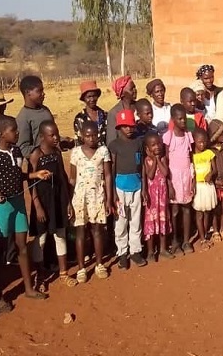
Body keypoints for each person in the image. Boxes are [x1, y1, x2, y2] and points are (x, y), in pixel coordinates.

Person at [0, 116, 50, 304]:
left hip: (19, 204)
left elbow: (17, 174)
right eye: (13, 130)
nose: (17, 132)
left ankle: (28, 288)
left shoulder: (16, 150)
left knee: (22, 246)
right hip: (3, 207)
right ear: (2, 134)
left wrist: (35, 174)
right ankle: (0, 295)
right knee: (1, 250)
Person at [29, 121, 74, 288]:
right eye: (52, 135)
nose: (56, 138)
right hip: (42, 201)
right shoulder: (36, 155)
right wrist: (38, 206)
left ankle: (63, 273)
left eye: (57, 134)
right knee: (40, 238)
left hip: (58, 199)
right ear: (42, 136)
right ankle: (40, 276)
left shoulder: (56, 152)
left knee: (60, 235)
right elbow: (30, 181)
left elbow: (62, 177)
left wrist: (68, 202)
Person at [69, 120, 112, 283]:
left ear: (98, 135)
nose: (91, 139)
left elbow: (107, 175)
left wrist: (109, 199)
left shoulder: (103, 151)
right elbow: (72, 178)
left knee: (97, 230)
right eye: (87, 136)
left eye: (94, 135)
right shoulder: (75, 153)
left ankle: (99, 264)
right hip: (80, 197)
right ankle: (81, 268)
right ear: (81, 136)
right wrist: (69, 201)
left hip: (98, 196)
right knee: (81, 231)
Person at [108, 110, 146, 270]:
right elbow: (112, 168)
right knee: (121, 222)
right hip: (120, 187)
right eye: (125, 126)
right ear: (119, 127)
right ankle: (122, 253)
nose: (129, 129)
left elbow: (142, 164)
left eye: (131, 126)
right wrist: (114, 193)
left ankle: (136, 250)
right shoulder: (114, 145)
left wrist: (143, 186)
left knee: (135, 220)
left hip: (136, 185)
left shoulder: (138, 142)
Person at [163, 104, 195, 255]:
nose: (183, 121)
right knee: (175, 210)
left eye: (184, 118)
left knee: (187, 209)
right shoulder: (168, 137)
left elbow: (191, 157)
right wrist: (168, 183)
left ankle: (187, 240)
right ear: (173, 119)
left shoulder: (188, 135)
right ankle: (175, 240)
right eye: (179, 119)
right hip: (174, 178)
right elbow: (166, 160)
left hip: (186, 176)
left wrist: (193, 178)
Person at [141, 133, 172, 261]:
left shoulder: (164, 159)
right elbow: (150, 175)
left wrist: (159, 159)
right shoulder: (147, 161)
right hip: (152, 198)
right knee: (151, 223)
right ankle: (150, 251)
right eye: (153, 145)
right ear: (147, 148)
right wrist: (154, 160)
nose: (157, 147)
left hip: (162, 196)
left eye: (159, 143)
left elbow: (165, 173)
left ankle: (163, 249)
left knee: (162, 220)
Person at [192, 129, 217, 250]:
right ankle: (202, 238)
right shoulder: (192, 156)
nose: (202, 144)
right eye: (199, 142)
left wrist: (211, 174)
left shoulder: (209, 153)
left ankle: (206, 235)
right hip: (199, 186)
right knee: (199, 214)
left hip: (208, 186)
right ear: (194, 142)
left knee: (207, 212)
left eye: (204, 142)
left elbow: (215, 169)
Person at [73, 80, 107, 147]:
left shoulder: (105, 116)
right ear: (84, 99)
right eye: (89, 97)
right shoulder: (79, 119)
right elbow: (79, 142)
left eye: (94, 96)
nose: (92, 99)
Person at [106, 76, 137, 146]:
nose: (135, 90)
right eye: (131, 89)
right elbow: (111, 141)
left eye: (135, 87)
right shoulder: (114, 113)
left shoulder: (140, 107)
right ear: (122, 94)